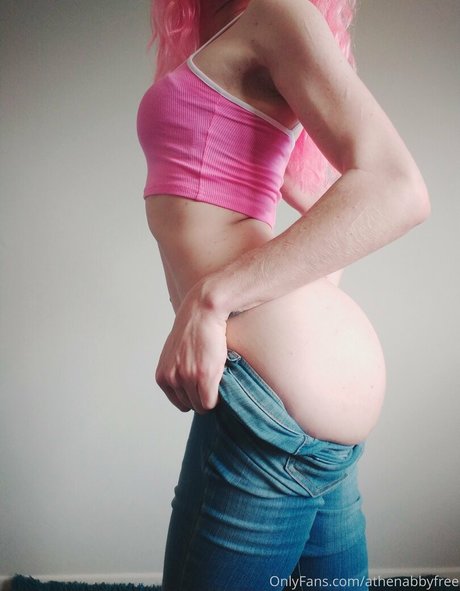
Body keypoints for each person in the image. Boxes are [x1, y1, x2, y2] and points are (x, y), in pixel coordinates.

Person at [136, 0, 430, 588]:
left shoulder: (277, 12)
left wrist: (210, 299)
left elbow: (398, 189)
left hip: (265, 403)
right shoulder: (232, 27)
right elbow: (333, 229)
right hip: (288, 401)